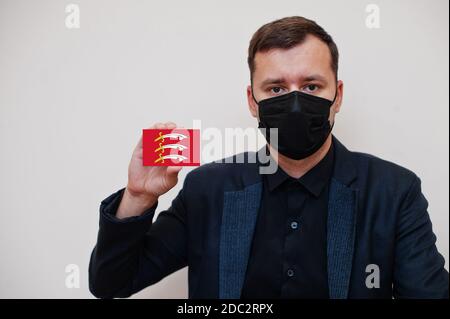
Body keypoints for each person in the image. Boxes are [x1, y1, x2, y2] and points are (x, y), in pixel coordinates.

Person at [89, 16, 449, 299]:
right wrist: (137, 198)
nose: (294, 103)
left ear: (337, 96)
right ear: (252, 100)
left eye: (311, 87)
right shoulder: (207, 189)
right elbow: (111, 283)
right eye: (276, 88)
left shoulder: (393, 192)